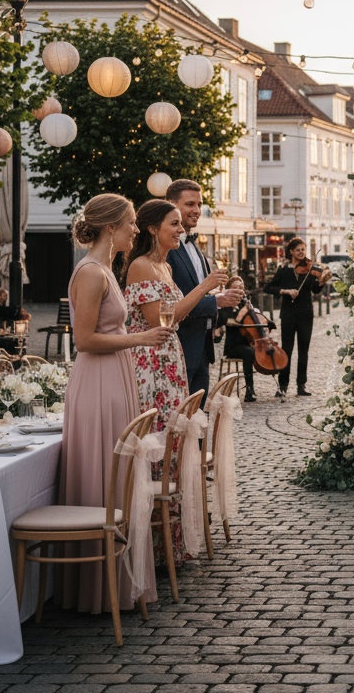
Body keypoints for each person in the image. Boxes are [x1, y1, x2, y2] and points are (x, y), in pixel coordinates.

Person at [59, 193, 175, 614]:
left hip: (117, 376)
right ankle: (95, 587)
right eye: (129, 222)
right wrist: (141, 337)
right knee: (104, 469)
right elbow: (85, 340)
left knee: (121, 470)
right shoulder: (90, 272)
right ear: (111, 228)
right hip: (99, 380)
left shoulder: (107, 269)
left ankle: (119, 579)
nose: (134, 229)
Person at [122, 199, 227, 567]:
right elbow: (163, 322)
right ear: (153, 228)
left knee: (174, 446)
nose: (181, 229)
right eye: (174, 223)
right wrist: (206, 288)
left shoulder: (163, 267)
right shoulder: (139, 267)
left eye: (181, 224)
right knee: (157, 447)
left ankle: (171, 544)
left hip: (171, 363)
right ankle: (153, 548)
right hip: (150, 366)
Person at [164, 179, 246, 397]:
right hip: (179, 347)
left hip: (202, 348)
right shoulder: (166, 249)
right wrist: (216, 301)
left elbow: (201, 292)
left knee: (198, 420)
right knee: (180, 420)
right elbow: (173, 303)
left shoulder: (197, 249)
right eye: (190, 204)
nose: (197, 210)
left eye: (199, 205)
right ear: (171, 204)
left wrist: (223, 301)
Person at [263, 238, 331, 397]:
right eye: (298, 250)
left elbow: (315, 290)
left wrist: (321, 282)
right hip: (288, 314)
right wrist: (286, 291)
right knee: (287, 350)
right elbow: (269, 287)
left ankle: (301, 385)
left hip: (306, 314)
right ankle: (283, 386)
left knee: (304, 351)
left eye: (303, 249)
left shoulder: (310, 269)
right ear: (291, 252)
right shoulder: (284, 269)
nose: (301, 252)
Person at [217, 275, 271, 402]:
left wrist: (265, 323)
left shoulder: (246, 304)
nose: (239, 290)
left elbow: (256, 319)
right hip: (233, 346)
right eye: (235, 287)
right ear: (228, 289)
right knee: (249, 353)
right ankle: (249, 390)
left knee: (250, 351)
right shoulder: (226, 305)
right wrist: (243, 313)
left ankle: (253, 388)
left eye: (241, 288)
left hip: (248, 344)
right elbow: (228, 321)